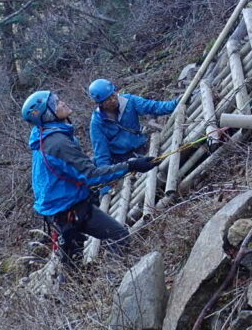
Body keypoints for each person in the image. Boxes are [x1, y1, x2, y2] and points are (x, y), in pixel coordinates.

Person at [22, 90, 156, 265]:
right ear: (48, 115)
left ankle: (84, 285)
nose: (62, 103)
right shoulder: (57, 143)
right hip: (68, 209)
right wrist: (131, 166)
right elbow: (90, 175)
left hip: (61, 206)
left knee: (72, 261)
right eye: (56, 104)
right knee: (118, 235)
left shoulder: (46, 136)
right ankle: (116, 280)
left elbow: (69, 168)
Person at [88, 78, 179, 168]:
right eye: (108, 100)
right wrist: (107, 174)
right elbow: (101, 154)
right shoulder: (97, 123)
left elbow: (153, 107)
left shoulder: (129, 101)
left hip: (141, 148)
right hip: (122, 161)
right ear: (100, 103)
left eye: (113, 95)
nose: (113, 100)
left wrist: (174, 103)